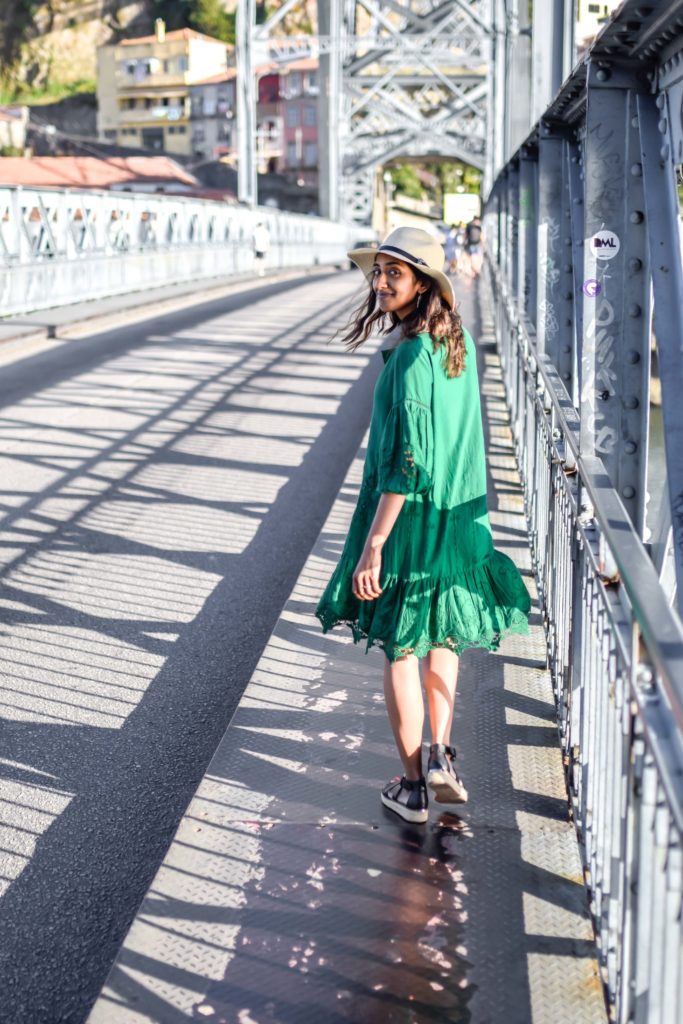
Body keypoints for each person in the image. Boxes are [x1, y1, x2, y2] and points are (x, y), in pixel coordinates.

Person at [315, 226, 531, 824]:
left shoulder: (412, 356)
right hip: (458, 525)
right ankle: (441, 754)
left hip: (412, 523)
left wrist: (374, 545)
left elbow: (407, 464)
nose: (380, 282)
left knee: (402, 650)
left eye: (394, 273)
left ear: (422, 284)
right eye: (378, 271)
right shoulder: (452, 341)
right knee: (444, 641)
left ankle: (412, 788)